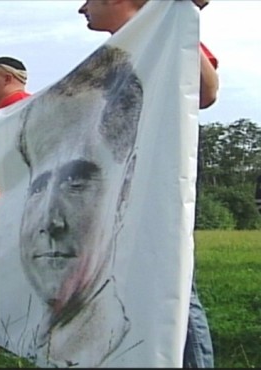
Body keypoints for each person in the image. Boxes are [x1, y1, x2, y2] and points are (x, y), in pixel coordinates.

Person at [77, 0, 218, 367]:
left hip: (156, 176)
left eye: (88, 0)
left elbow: (205, 93)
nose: (81, 9)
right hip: (117, 182)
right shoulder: (109, 55)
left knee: (167, 277)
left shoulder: (162, 32)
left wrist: (177, 14)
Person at [17, 44, 143, 367]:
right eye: (39, 186)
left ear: (125, 187)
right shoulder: (27, 338)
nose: (50, 220)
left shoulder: (135, 349)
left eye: (76, 182)